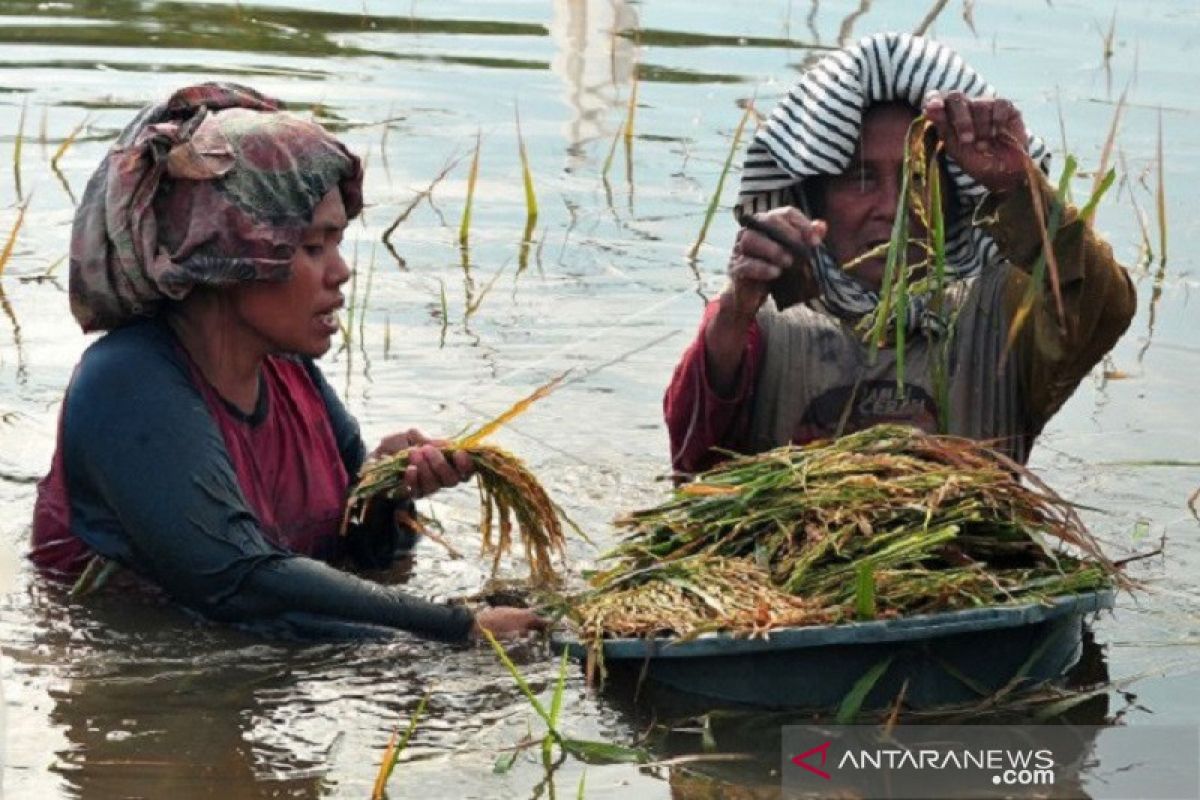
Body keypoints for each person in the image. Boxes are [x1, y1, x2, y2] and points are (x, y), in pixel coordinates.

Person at [29, 82, 543, 643]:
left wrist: (384, 492)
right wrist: (460, 630)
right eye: (313, 247)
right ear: (234, 253)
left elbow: (353, 559)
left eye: (339, 243)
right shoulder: (128, 383)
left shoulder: (292, 375)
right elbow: (240, 583)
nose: (341, 272)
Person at [665, 32, 1136, 474]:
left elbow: (1101, 306)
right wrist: (735, 309)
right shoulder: (761, 320)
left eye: (918, 180)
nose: (892, 209)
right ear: (816, 197)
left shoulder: (1001, 315)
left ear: (952, 199)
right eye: (860, 179)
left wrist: (1017, 187)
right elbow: (691, 455)